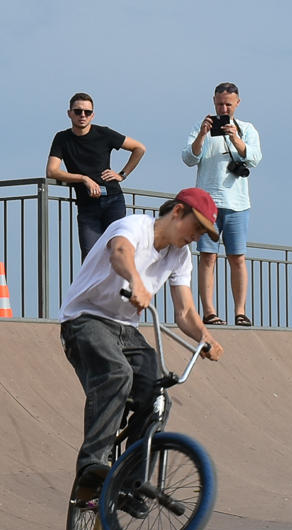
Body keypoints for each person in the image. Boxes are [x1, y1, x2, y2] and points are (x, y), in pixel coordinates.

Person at [59, 188, 224, 489]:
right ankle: (91, 465)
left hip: (126, 330)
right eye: (195, 227)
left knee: (159, 397)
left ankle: (132, 485)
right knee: (116, 375)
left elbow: (185, 310)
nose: (196, 237)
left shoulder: (180, 255)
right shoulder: (135, 226)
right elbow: (120, 252)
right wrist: (136, 281)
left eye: (203, 233)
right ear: (177, 212)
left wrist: (205, 338)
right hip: (85, 319)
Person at [181, 82, 262, 327]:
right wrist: (204, 134)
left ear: (237, 103)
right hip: (206, 204)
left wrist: (235, 138)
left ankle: (240, 311)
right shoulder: (199, 127)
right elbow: (188, 158)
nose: (223, 108)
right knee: (208, 257)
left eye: (228, 103)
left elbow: (255, 158)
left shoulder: (246, 129)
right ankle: (209, 311)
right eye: (219, 103)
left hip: (237, 203)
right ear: (213, 102)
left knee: (237, 257)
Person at [47, 92, 147, 261]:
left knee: (117, 253)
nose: (82, 116)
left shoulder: (104, 133)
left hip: (113, 200)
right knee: (90, 257)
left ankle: (120, 288)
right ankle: (96, 288)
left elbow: (139, 148)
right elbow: (52, 171)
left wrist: (122, 174)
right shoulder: (62, 139)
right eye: (78, 111)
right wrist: (83, 179)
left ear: (93, 115)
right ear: (69, 113)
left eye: (87, 112)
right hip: (87, 206)